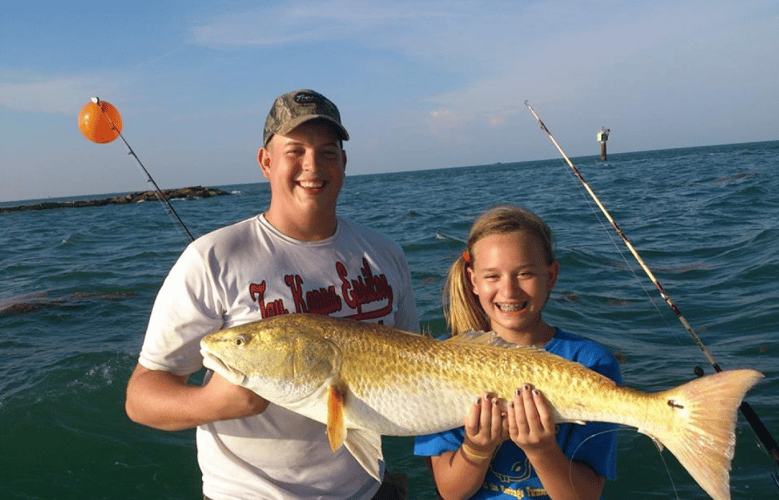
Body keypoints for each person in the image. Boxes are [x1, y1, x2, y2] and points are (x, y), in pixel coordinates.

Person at [125, 89, 419, 500]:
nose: (312, 166)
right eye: (294, 151)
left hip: (366, 490)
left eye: (328, 152)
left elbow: (413, 362)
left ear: (344, 162)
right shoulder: (212, 258)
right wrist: (213, 403)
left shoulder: (385, 253)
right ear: (266, 162)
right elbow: (141, 399)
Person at [414, 206, 621, 500]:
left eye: (524, 274)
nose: (509, 291)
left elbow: (586, 495)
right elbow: (449, 491)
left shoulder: (592, 362)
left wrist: (542, 450)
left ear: (551, 275)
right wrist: (477, 448)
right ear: (473, 280)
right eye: (492, 276)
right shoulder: (437, 360)